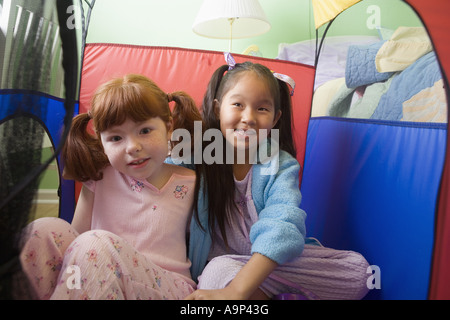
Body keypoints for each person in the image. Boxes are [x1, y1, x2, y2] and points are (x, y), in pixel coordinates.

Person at [183, 53, 370, 300]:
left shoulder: (281, 164)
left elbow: (282, 224)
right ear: (218, 109)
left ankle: (252, 293)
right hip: (223, 269)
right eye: (238, 104)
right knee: (216, 272)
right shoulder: (198, 157)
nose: (248, 117)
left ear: (275, 118)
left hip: (274, 264)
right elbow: (160, 171)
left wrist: (238, 290)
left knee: (360, 272)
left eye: (261, 108)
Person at [20, 74, 203, 300]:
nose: (133, 147)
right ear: (101, 141)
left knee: (94, 244)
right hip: (98, 277)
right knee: (43, 230)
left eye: (145, 131)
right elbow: (75, 240)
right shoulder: (99, 177)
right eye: (116, 138)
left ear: (168, 127)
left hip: (166, 288)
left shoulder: (191, 182)